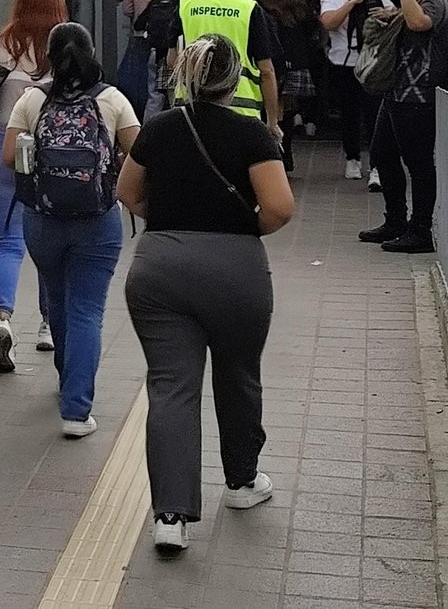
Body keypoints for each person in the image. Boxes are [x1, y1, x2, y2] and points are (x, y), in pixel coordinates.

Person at [118, 35, 296, 555]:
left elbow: (127, 192)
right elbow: (280, 208)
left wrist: (171, 226)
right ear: (234, 80)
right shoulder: (253, 134)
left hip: (158, 270)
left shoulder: (158, 129)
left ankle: (169, 517)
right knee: (238, 375)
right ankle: (241, 483)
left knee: (171, 386)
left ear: (185, 77)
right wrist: (238, 228)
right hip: (235, 270)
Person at [4, 23, 137, 438]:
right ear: (92, 50)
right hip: (98, 221)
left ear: (49, 54)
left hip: (42, 220)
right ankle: (76, 409)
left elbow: (9, 156)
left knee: (58, 302)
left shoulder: (32, 99)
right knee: (86, 310)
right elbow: (141, 150)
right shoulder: (112, 99)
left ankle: (68, 378)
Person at [0, 0, 66, 371]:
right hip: (48, 154)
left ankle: (3, 322)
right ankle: (48, 325)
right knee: (48, 244)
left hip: (0, 150)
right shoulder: (63, 46)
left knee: (9, 245)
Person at [361, 0, 448, 254]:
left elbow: (419, 23)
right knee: (382, 154)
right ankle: (396, 221)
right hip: (396, 93)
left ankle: (420, 229)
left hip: (418, 97)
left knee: (418, 164)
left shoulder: (437, 1)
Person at [176, 0, 282, 134]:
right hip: (242, 111)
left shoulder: (185, 6)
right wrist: (272, 122)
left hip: (190, 110)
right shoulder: (250, 9)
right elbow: (267, 71)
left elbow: (172, 60)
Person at [320, 0, 392, 179]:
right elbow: (329, 22)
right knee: (349, 115)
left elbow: (397, 14)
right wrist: (351, 3)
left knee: (374, 116)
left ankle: (377, 166)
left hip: (371, 66)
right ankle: (352, 158)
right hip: (343, 65)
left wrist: (386, 13)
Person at [254, 0, 319, 173]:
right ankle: (286, 152)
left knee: (269, 109)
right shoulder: (298, 3)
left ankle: (272, 153)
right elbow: (311, 30)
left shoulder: (260, 5)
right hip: (296, 61)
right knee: (288, 111)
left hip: (270, 62)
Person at [116, 0, 170, 116]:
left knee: (135, 78)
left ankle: (133, 115)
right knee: (157, 86)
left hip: (139, 34)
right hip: (162, 37)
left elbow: (127, 9)